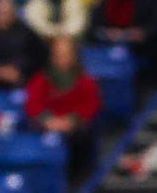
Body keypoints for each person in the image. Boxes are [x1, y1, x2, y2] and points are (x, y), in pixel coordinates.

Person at [26, 36, 102, 180]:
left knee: (83, 137)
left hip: (74, 129)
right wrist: (48, 120)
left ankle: (77, 179)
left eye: (65, 55)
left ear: (74, 56)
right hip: (47, 126)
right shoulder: (41, 79)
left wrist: (71, 120)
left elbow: (91, 105)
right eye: (57, 55)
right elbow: (33, 105)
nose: (61, 59)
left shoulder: (86, 80)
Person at [24, 0, 90, 42]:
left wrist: (62, 37)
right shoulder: (34, 3)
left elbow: (78, 25)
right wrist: (56, 35)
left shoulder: (74, 0)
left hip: (70, 42)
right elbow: (37, 26)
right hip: (40, 44)